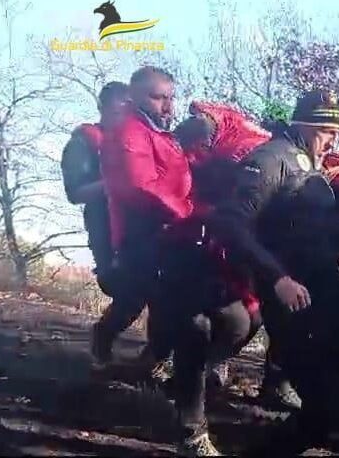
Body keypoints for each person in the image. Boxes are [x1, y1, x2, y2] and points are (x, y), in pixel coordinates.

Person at [204, 90, 339, 456]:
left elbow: (306, 227)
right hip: (291, 295)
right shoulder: (270, 159)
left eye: (337, 132)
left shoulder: (311, 165)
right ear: (303, 124)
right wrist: (277, 278)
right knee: (324, 401)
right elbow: (231, 224)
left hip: (328, 289)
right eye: (326, 131)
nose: (334, 140)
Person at [101, 67, 251, 456]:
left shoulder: (163, 134)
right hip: (149, 249)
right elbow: (142, 190)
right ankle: (191, 432)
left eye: (170, 97)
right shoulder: (129, 134)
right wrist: (198, 213)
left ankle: (175, 376)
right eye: (158, 97)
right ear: (135, 97)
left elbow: (185, 173)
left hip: (182, 247)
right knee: (194, 330)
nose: (167, 106)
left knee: (237, 320)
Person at [174, 101, 302, 410]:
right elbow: (199, 128)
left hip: (246, 237)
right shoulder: (236, 131)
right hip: (207, 228)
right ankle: (183, 380)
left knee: (255, 316)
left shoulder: (289, 155)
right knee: (227, 317)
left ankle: (214, 370)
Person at [60, 81, 140, 369]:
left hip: (144, 228)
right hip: (106, 230)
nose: (124, 118)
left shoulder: (141, 141)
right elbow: (75, 193)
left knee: (159, 290)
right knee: (129, 292)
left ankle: (156, 357)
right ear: (102, 108)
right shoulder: (84, 143)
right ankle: (103, 337)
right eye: (119, 111)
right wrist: (116, 184)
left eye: (130, 112)